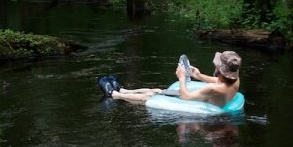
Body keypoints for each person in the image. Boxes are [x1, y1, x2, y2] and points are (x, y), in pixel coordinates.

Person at [98, 51, 242, 106]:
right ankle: (123, 89)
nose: (215, 66)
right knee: (157, 90)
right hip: (209, 99)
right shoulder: (235, 80)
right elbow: (217, 80)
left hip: (197, 103)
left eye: (217, 65)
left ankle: (114, 94)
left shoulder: (214, 89)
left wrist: (181, 77)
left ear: (221, 70)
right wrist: (197, 75)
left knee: (149, 96)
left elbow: (186, 97)